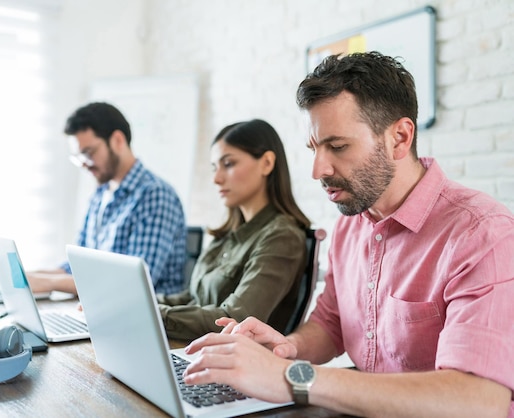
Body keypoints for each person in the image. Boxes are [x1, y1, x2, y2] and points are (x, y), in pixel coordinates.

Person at [182, 52, 514, 417]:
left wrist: (293, 376)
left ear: (400, 138)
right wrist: (286, 349)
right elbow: (332, 323)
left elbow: (480, 401)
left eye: (338, 147)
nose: (318, 169)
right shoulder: (351, 224)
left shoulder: (482, 234)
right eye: (314, 148)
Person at [0, 102, 187, 295]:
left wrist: (48, 283)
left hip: (150, 321)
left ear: (117, 141)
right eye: (78, 157)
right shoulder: (100, 195)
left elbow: (131, 284)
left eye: (88, 152)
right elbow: (76, 267)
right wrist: (18, 275)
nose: (84, 164)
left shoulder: (155, 195)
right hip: (98, 309)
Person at [157, 119, 312, 341]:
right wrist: (140, 302)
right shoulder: (230, 233)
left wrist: (153, 314)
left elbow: (233, 319)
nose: (216, 178)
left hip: (234, 365)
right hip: (195, 349)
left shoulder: (281, 236)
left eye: (228, 164)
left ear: (266, 163)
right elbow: (193, 297)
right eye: (214, 167)